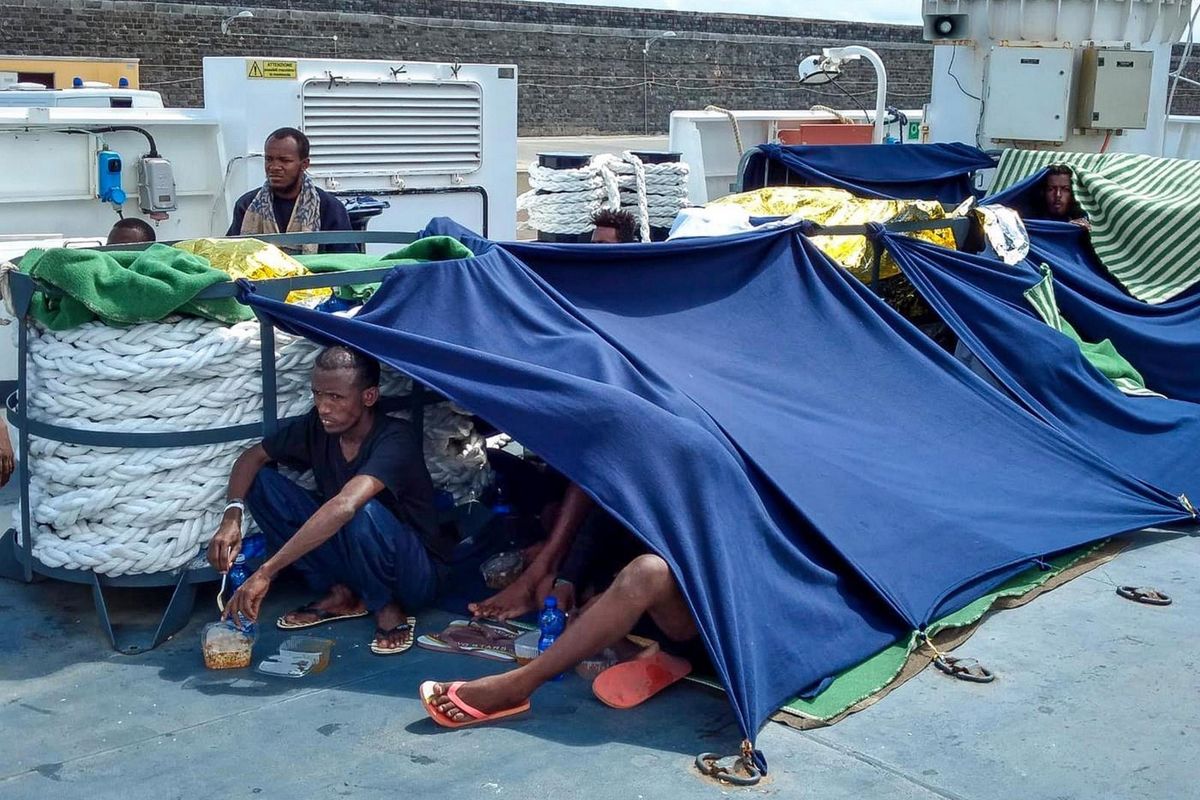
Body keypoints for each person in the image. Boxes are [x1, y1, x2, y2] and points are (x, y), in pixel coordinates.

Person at [211, 346, 456, 654]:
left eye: (336, 398)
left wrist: (265, 572)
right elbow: (253, 456)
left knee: (362, 511)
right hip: (352, 556)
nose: (323, 407)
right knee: (262, 483)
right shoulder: (319, 427)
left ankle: (386, 604)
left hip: (412, 573)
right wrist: (231, 517)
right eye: (317, 394)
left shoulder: (396, 439)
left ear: (369, 397)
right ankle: (343, 593)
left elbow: (345, 506)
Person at [226, 127, 356, 254]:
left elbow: (347, 261)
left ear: (304, 164)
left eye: (284, 160)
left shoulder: (329, 208)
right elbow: (230, 255)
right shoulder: (247, 205)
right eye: (269, 159)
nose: (274, 167)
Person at [1037, 165, 1090, 229]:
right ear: (1043, 192)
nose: (1058, 195)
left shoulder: (1084, 220)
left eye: (1065, 189)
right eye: (1051, 189)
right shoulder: (1030, 223)